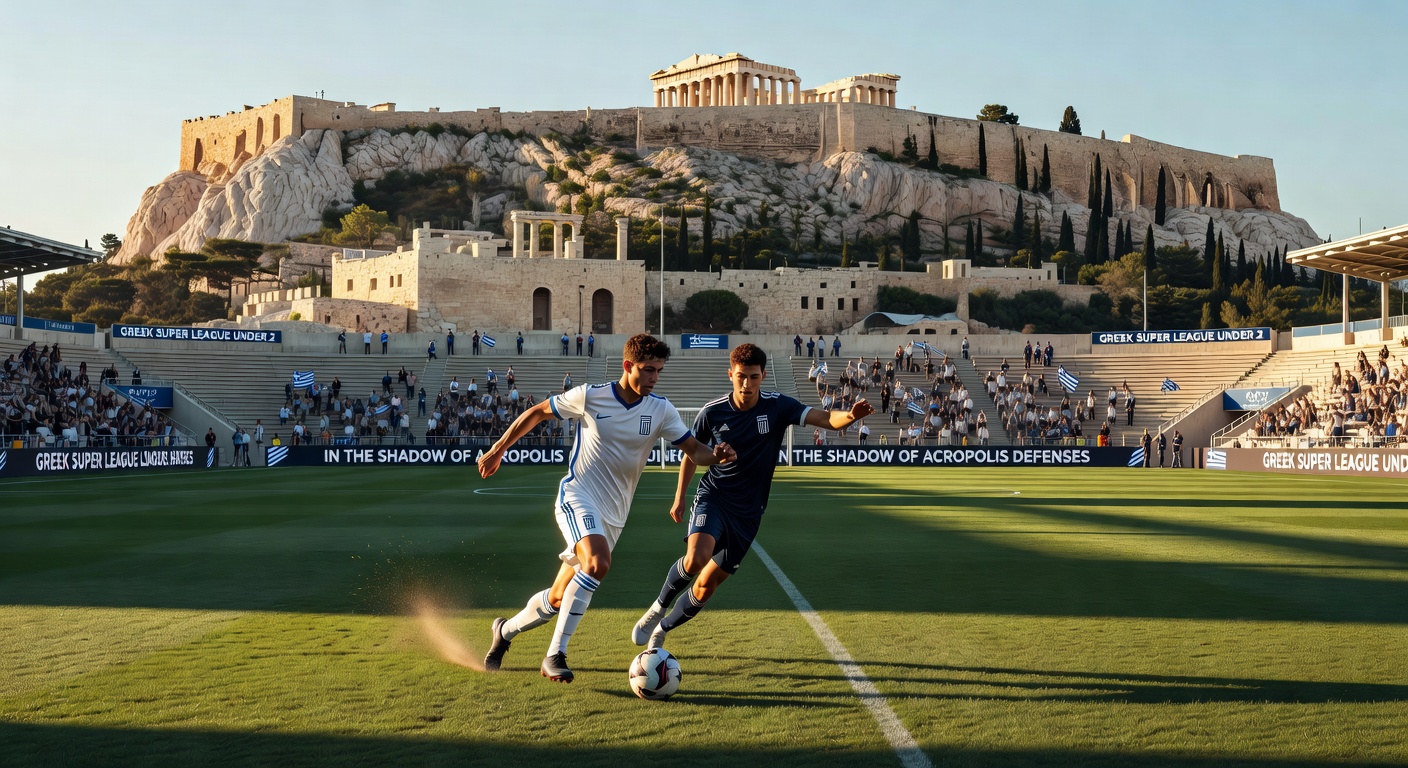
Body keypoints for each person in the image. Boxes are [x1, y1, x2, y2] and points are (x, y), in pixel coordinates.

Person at [480, 334, 736, 683]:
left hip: (614, 515)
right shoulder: (590, 395)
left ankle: (504, 632)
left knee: (556, 599)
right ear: (628, 366)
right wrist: (498, 448)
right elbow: (539, 412)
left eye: (659, 371)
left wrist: (716, 455)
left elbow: (696, 450)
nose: (654, 378)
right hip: (578, 496)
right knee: (598, 563)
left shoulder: (661, 409)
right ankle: (555, 655)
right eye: (648, 370)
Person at [632, 343, 874, 652]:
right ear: (730, 374)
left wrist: (850, 416)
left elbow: (825, 418)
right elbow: (692, 455)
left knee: (707, 586)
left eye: (754, 377)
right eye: (742, 377)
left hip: (749, 513)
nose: (747, 385)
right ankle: (657, 608)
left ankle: (662, 631)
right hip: (715, 497)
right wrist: (680, 497)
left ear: (762, 376)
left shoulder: (777, 406)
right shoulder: (712, 411)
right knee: (697, 557)